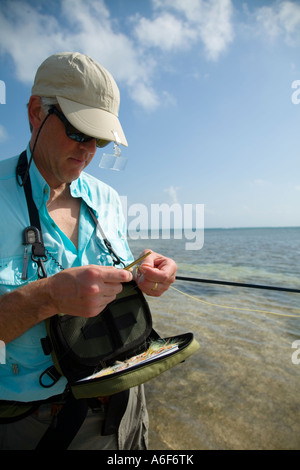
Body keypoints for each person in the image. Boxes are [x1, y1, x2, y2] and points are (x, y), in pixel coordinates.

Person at [0, 52, 177, 450]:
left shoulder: (108, 198)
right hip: (37, 424)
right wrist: (44, 297)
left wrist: (146, 271)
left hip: (126, 401)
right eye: (79, 132)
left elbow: (120, 276)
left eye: (99, 139)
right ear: (34, 113)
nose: (89, 151)